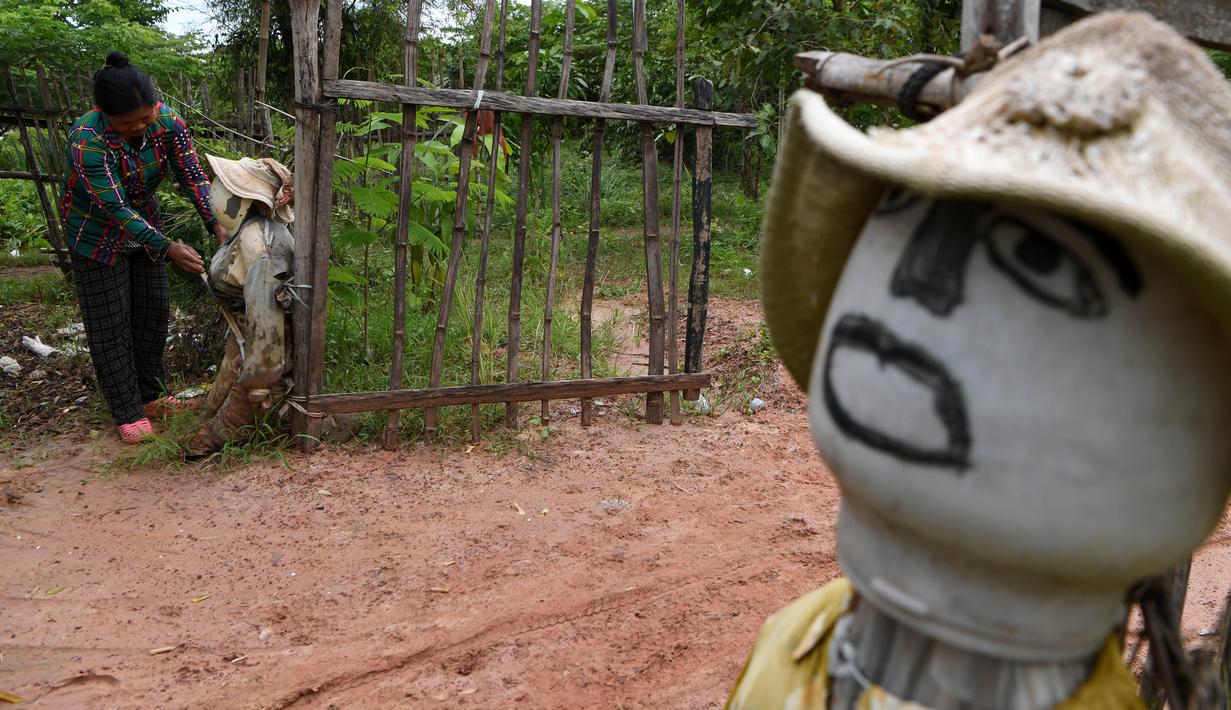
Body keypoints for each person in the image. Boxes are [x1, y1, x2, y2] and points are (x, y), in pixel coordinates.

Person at [728, 12, 1231, 710]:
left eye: (1037, 256)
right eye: (909, 210)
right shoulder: (792, 644)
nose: (917, 288)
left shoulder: (790, 645)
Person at [60, 51, 223, 443]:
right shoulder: (87, 141)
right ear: (104, 113)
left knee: (153, 312)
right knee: (110, 323)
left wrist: (216, 222)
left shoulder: (170, 123)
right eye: (128, 123)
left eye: (145, 117)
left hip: (146, 224)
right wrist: (168, 248)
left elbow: (194, 177)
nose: (140, 126)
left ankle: (151, 396)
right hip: (95, 234)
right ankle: (127, 411)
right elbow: (114, 207)